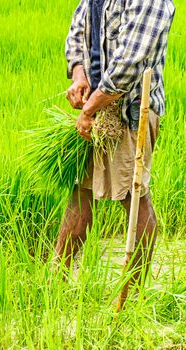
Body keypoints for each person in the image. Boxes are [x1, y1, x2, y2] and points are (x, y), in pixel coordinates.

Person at [55, 0, 175, 284]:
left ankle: (131, 295)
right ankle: (54, 282)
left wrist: (89, 109)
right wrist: (79, 75)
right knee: (80, 193)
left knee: (133, 197)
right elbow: (77, 31)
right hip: (97, 110)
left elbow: (131, 61)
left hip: (131, 111)